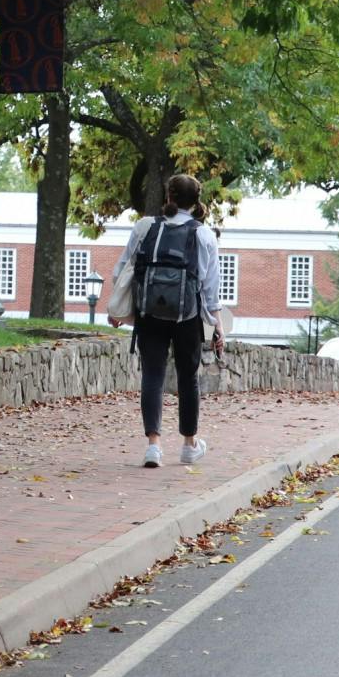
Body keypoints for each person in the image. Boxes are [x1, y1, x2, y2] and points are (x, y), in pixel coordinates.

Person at [105, 173, 221, 468]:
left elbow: (123, 268)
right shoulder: (204, 235)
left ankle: (153, 446)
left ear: (168, 197)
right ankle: (189, 445)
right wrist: (215, 323)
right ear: (196, 202)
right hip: (187, 317)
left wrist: (117, 309)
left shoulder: (145, 227)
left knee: (153, 376)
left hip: (150, 314)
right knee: (187, 378)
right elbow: (209, 286)